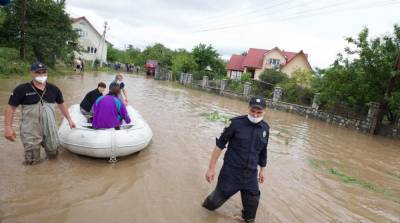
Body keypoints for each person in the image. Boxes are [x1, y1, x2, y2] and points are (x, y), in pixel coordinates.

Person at [202, 96, 269, 223]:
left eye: (259, 112)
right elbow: (219, 145)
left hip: (250, 176)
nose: (255, 115)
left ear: (264, 112)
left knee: (250, 217)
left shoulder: (265, 129)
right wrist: (211, 168)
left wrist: (263, 170)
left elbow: (263, 150)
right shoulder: (235, 124)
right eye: (253, 111)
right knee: (211, 205)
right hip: (231, 173)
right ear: (248, 108)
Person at [4, 62, 76, 165]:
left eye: (44, 72)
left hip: (50, 127)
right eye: (38, 72)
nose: (41, 74)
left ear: (47, 73)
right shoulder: (21, 89)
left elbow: (61, 104)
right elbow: (10, 108)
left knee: (54, 153)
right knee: (32, 160)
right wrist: (8, 128)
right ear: (32, 73)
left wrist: (69, 120)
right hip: (30, 129)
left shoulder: (54, 89)